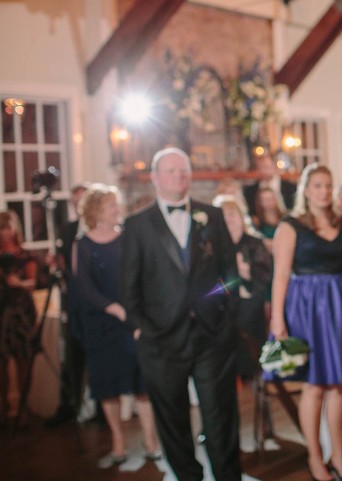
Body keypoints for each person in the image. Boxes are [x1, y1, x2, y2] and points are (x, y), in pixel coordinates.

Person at [121, 147, 241, 481]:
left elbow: (228, 272)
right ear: (155, 178)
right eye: (171, 171)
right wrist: (140, 327)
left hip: (211, 335)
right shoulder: (137, 225)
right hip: (160, 339)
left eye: (184, 171)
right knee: (172, 420)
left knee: (221, 417)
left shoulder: (211, 216)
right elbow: (128, 285)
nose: (179, 176)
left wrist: (222, 309)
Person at [270, 163, 342, 481]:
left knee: (339, 386)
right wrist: (278, 318)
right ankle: (315, 456)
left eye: (327, 185)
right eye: (317, 185)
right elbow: (280, 275)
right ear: (306, 189)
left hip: (337, 305)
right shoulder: (290, 226)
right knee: (315, 385)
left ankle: (339, 455)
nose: (323, 191)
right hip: (306, 309)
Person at [73, 184, 159, 465]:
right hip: (101, 325)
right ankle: (118, 445)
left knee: (141, 385)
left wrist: (132, 314)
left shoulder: (127, 239)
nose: (117, 209)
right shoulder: (82, 245)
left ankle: (150, 442)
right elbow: (85, 288)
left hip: (131, 321)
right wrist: (114, 310)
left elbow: (141, 278)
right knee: (108, 387)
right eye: (112, 205)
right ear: (97, 210)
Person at [45, 183, 92, 427]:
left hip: (97, 305)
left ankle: (103, 412)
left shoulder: (101, 229)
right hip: (74, 303)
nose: (78, 205)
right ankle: (70, 406)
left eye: (82, 200)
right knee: (72, 357)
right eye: (75, 202)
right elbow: (67, 270)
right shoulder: (68, 230)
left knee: (98, 358)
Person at [213, 195, 272, 379]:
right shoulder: (213, 246)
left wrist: (246, 272)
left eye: (232, 213)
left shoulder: (253, 243)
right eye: (223, 215)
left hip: (250, 308)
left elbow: (265, 276)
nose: (228, 219)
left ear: (240, 216)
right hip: (222, 309)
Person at [0, 210, 37, 428]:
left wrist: (19, 283)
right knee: (2, 363)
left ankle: (24, 407)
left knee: (24, 359)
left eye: (7, 227)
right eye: (1, 228)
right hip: (2, 310)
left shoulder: (25, 256)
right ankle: (4, 407)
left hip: (21, 312)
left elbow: (33, 283)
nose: (4, 233)